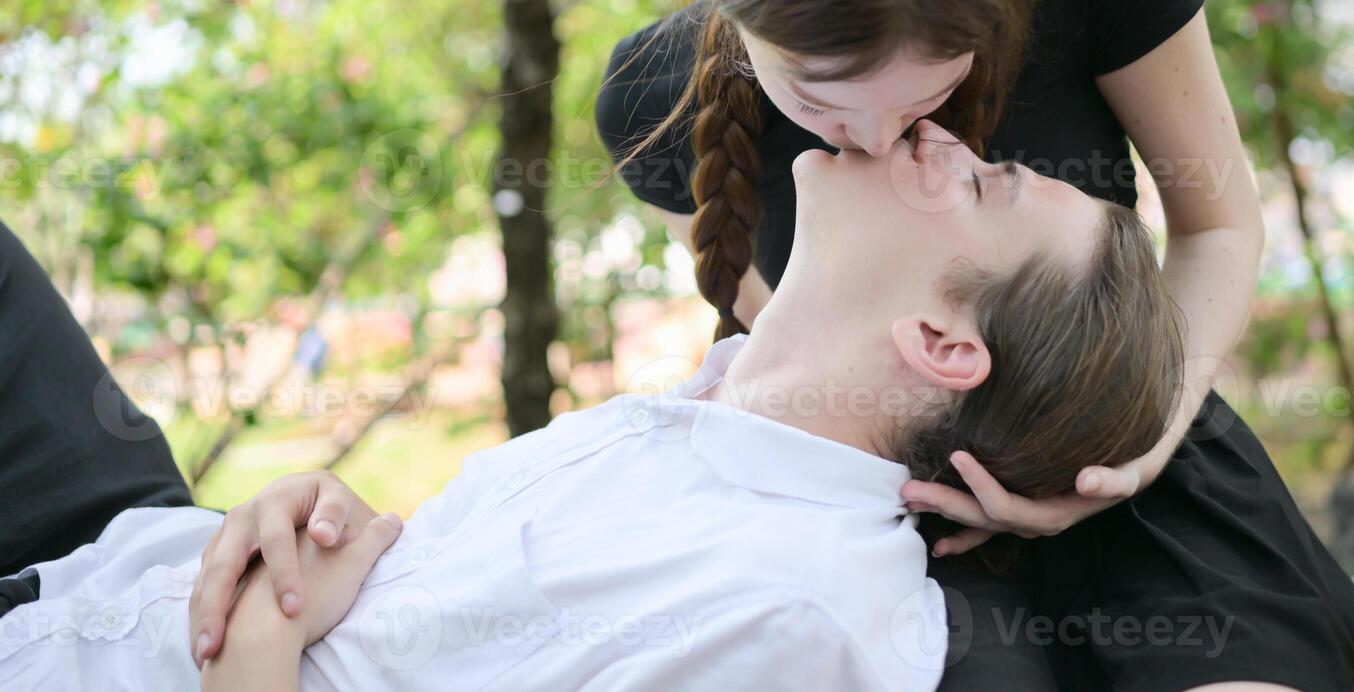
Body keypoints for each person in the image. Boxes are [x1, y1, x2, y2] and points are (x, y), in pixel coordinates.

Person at [591, 0, 1354, 692]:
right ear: (737, 13)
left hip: (1135, 461)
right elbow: (779, 349)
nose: (872, 140)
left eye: (925, 95)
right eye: (819, 101)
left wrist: (1129, 459)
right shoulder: (652, 104)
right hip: (892, 529)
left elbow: (1220, 226)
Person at [0, 123, 1183, 690]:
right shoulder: (703, 420)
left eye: (980, 184)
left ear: (940, 341)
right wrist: (329, 524)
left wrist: (268, 628)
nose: (936, 134)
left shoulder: (797, 616)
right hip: (122, 562)